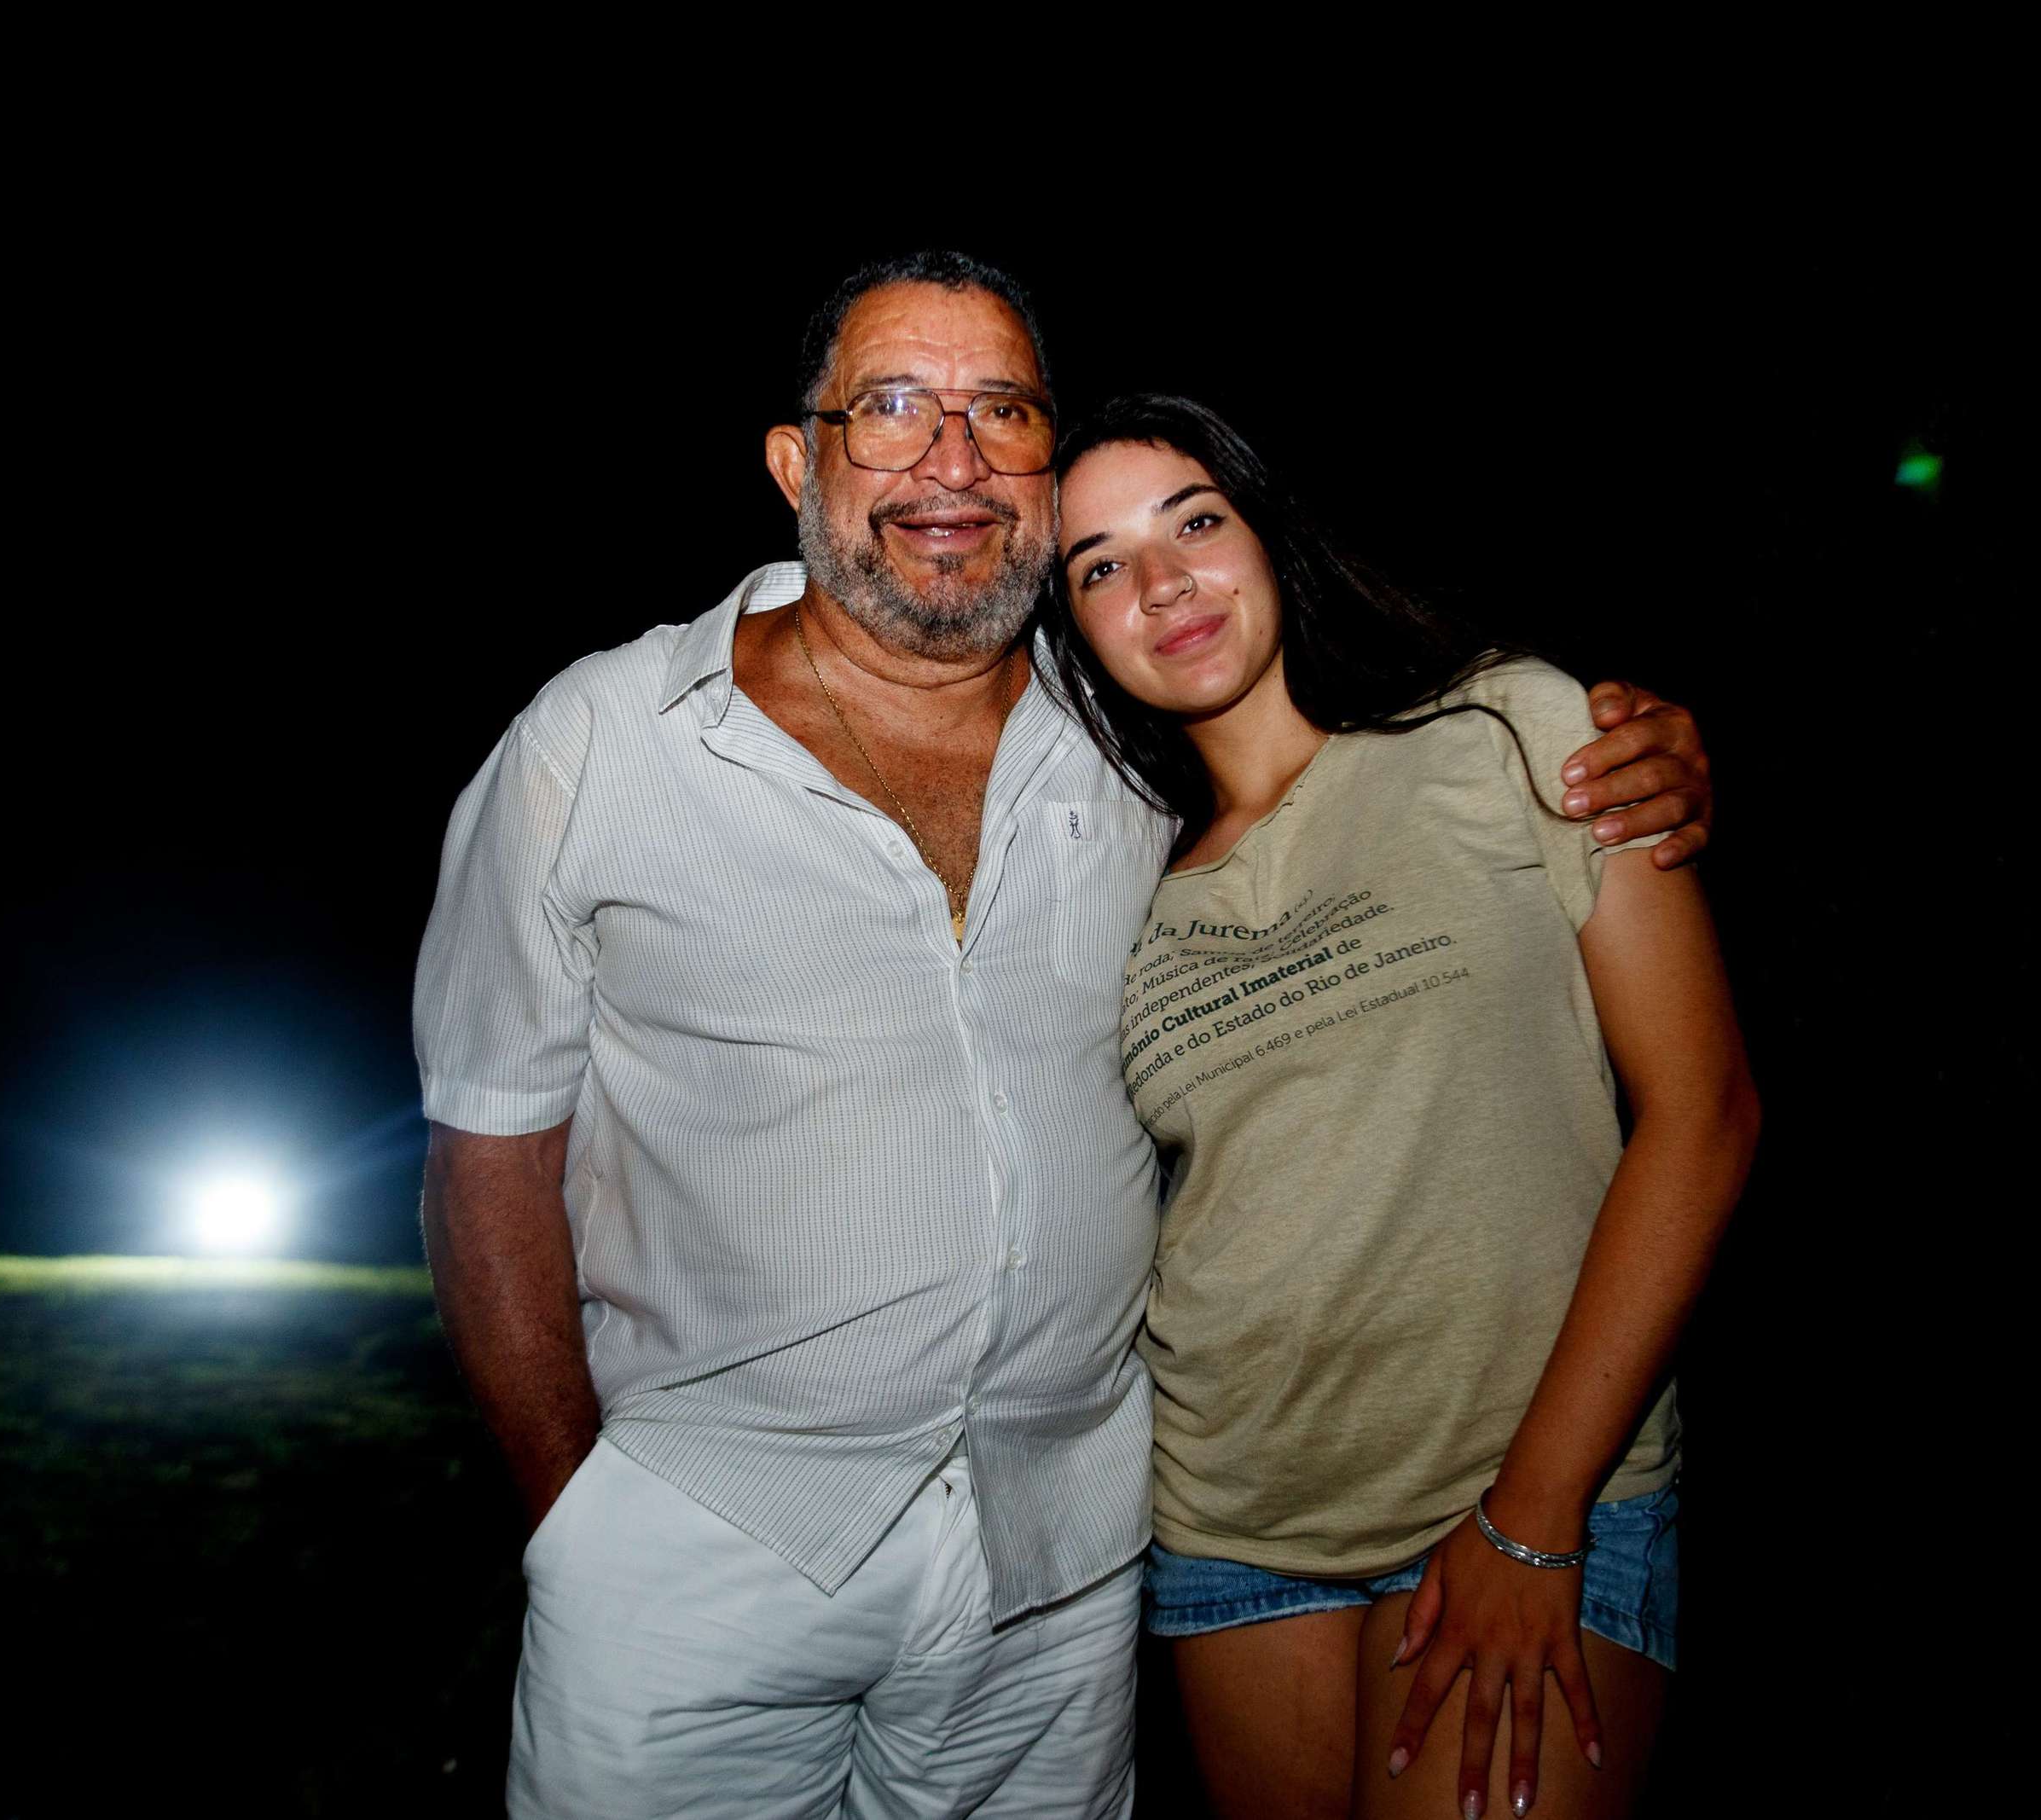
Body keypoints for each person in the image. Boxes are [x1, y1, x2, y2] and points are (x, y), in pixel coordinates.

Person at [411, 252, 1719, 1818]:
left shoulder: (1122, 749)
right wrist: (579, 1523)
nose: (951, 458)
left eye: (1003, 412)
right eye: (893, 407)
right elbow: (487, 1155)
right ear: (796, 463)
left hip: (1060, 1565)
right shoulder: (599, 743)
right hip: (714, 1546)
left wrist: (1647, 755)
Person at [1041, 394, 1760, 1820]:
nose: (1164, 582)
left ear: (1266, 532)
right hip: (1235, 1526)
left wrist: (1535, 1512)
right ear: (1076, 632)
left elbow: (1706, 1113)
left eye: (1195, 521)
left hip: (1536, 1486)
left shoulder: (1513, 729)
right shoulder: (1116, 886)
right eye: (1101, 565)